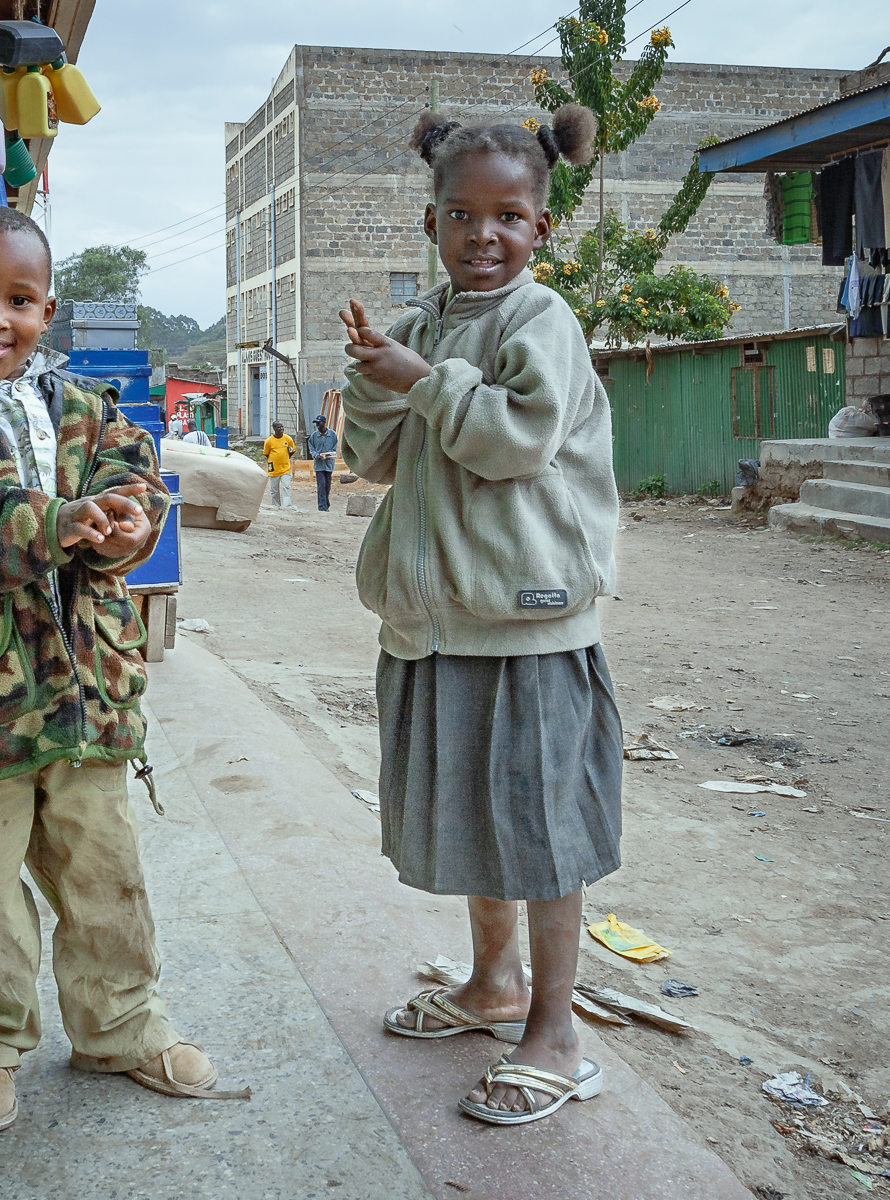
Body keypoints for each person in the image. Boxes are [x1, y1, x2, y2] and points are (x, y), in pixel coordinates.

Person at [0, 204, 248, 1137]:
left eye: (19, 300)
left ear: (48, 310)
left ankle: (119, 1027)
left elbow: (136, 478)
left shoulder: (83, 406)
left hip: (88, 700)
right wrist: (47, 525)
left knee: (103, 876)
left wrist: (124, 519)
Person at [338, 103, 619, 1127]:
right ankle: (492, 984)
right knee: (479, 820)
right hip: (442, 624)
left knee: (540, 834)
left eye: (508, 216)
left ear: (541, 229)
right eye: (462, 215)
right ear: (432, 224)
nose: (484, 235)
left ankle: (557, 1031)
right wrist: (377, 378)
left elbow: (514, 442)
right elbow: (372, 457)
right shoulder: (427, 326)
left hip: (528, 625)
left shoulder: (542, 322)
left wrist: (424, 382)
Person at [262, 420, 298, 508]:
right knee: (274, 490)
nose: (281, 429)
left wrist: (285, 457)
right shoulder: (269, 441)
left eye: (282, 427)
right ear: (274, 428)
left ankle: (287, 505)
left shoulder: (288, 439)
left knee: (286, 487)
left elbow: (292, 450)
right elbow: (266, 453)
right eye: (279, 427)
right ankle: (276, 505)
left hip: (285, 468)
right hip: (273, 469)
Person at [306, 413, 339, 512]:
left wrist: (330, 454)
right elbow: (311, 448)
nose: (317, 426)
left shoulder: (332, 435)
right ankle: (322, 507)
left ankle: (326, 504)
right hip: (319, 465)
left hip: (329, 465)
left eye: (319, 423)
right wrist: (316, 455)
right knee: (321, 485)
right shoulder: (314, 436)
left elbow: (335, 447)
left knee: (327, 485)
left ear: (324, 423)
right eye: (316, 424)